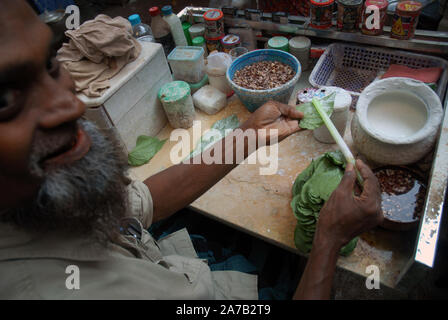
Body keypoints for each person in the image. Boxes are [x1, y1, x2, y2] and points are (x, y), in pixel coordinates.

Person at [0, 0, 383, 300]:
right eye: (5, 98)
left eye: (50, 65)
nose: (71, 105)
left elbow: (138, 202)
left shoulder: (38, 203)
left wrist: (247, 136)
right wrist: (328, 240)